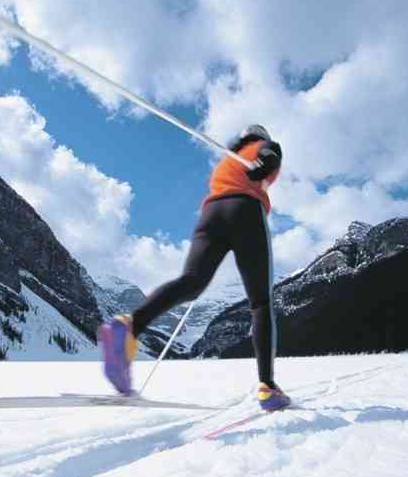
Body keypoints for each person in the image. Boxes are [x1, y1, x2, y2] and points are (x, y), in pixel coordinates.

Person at [98, 124, 290, 412]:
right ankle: (267, 386)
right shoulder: (264, 146)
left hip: (211, 215)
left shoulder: (228, 160)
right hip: (246, 210)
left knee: (192, 281)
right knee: (260, 302)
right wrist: (265, 163)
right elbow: (269, 156)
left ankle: (129, 325)